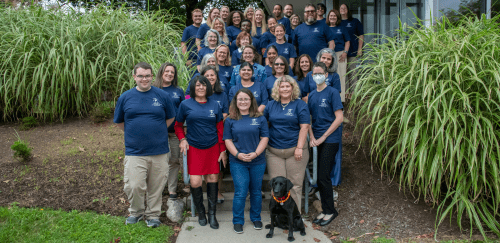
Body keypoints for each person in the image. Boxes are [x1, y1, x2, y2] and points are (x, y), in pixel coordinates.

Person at [114, 62, 176, 228]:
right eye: (140, 76)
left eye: (147, 75)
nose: (144, 79)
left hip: (159, 151)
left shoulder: (162, 96)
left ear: (152, 76)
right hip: (135, 151)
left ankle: (153, 215)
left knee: (156, 187)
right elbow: (119, 122)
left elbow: (170, 118)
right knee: (134, 186)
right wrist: (134, 133)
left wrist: (157, 129)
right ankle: (136, 212)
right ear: (134, 77)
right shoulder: (125, 97)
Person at [175, 75, 227, 229]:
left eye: (204, 85)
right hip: (194, 148)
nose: (201, 87)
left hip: (212, 147)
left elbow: (220, 129)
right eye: (198, 85)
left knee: (212, 178)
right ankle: (201, 212)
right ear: (193, 87)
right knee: (195, 181)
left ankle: (212, 215)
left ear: (208, 87)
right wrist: (182, 139)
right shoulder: (185, 104)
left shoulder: (215, 105)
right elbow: (178, 126)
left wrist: (222, 150)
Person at [224, 88, 269, 234]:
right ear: (235, 102)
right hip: (238, 161)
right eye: (240, 99)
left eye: (246, 99)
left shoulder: (260, 118)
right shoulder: (230, 119)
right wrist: (238, 154)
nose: (243, 102)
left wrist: (255, 153)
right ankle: (237, 221)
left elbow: (265, 138)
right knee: (241, 191)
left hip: (258, 160)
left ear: (251, 101)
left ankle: (256, 218)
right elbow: (227, 140)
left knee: (256, 191)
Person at [264, 75, 310, 213]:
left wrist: (300, 147)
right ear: (277, 89)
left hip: (295, 151)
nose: (284, 89)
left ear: (293, 88)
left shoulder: (300, 104)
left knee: (295, 185)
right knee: (276, 186)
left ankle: (295, 217)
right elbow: (264, 125)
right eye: (282, 86)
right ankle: (278, 217)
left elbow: (304, 127)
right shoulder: (270, 105)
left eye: (287, 86)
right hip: (274, 152)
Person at [308, 61, 343, 227]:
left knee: (323, 176)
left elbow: (339, 118)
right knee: (320, 178)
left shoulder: (333, 92)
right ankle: (325, 209)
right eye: (314, 74)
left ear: (326, 75)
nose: (317, 76)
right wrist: (312, 137)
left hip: (330, 139)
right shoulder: (312, 95)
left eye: (320, 73)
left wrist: (323, 137)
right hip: (317, 139)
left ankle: (330, 211)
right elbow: (308, 119)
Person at [152, 63, 185, 200]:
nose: (170, 74)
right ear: (161, 72)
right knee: (157, 161)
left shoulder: (178, 91)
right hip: (157, 132)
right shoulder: (153, 90)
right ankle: (157, 189)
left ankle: (172, 190)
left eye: (172, 72)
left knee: (174, 160)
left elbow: (183, 111)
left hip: (175, 132)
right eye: (167, 71)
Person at [339, 4, 364, 98]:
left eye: (344, 8)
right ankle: (345, 95)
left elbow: (361, 35)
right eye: (341, 8)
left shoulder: (355, 21)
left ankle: (354, 95)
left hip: (353, 51)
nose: (343, 9)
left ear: (348, 10)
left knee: (353, 74)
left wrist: (360, 49)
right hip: (341, 53)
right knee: (343, 75)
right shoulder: (338, 22)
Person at [327, 9, 351, 103]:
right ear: (328, 17)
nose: (332, 17)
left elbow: (347, 41)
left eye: (334, 16)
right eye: (330, 16)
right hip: (328, 55)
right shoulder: (325, 27)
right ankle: (329, 98)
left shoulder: (342, 28)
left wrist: (345, 52)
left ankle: (340, 100)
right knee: (328, 76)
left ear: (337, 17)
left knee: (341, 76)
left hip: (340, 54)